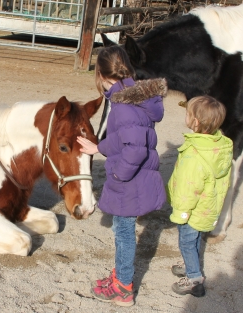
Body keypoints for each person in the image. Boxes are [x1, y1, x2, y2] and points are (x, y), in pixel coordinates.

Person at [77, 45, 167, 307]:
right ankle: (120, 276)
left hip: (129, 182)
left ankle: (124, 289)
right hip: (134, 180)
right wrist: (99, 147)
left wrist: (118, 174)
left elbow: (135, 149)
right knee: (121, 229)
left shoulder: (123, 106)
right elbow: (125, 137)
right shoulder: (133, 97)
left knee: (124, 233)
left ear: (102, 74)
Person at [167, 96, 233, 297]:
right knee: (195, 238)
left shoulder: (195, 154)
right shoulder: (219, 147)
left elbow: (189, 188)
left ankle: (194, 279)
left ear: (195, 122)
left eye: (188, 113)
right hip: (207, 207)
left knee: (186, 241)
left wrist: (181, 212)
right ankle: (190, 263)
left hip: (192, 210)